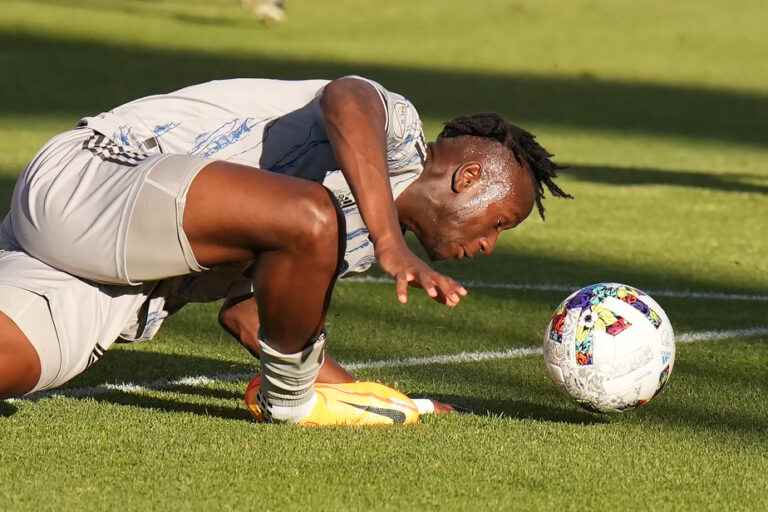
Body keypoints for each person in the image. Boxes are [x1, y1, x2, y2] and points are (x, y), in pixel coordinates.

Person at [0, 76, 571, 425]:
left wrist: (372, 400)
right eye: (498, 223)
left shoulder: (348, 243)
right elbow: (346, 99)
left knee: (15, 364)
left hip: (116, 281)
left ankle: (297, 400)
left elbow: (251, 314)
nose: (488, 245)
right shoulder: (397, 133)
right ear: (468, 176)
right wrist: (390, 241)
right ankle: (290, 408)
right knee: (309, 216)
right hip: (94, 179)